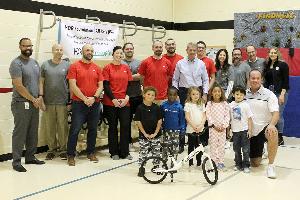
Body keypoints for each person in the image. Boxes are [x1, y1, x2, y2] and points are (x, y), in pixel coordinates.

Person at [9, 38, 45, 172]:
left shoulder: (35, 63)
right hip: (21, 103)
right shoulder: (16, 63)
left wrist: (40, 98)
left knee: (32, 132)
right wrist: (32, 99)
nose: (28, 48)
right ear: (20, 47)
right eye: (25, 46)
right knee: (20, 132)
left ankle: (30, 157)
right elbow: (18, 85)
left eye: (30, 45)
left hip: (35, 103)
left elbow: (39, 81)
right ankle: (16, 162)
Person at [66, 44, 103, 166]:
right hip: (79, 104)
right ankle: (71, 155)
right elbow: (73, 85)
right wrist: (84, 99)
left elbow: (101, 86)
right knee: (75, 129)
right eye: (87, 50)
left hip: (95, 103)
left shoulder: (97, 68)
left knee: (93, 129)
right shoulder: (74, 66)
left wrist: (94, 97)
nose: (90, 52)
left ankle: (91, 152)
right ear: (82, 52)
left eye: (92, 50)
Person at [172, 42, 209, 153]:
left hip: (198, 92)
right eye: (190, 50)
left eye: (194, 50)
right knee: (184, 117)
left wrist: (205, 93)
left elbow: (206, 80)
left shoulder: (201, 64)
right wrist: (176, 94)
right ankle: (182, 143)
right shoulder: (180, 63)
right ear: (186, 50)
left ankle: (201, 142)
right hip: (184, 92)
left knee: (199, 115)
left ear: (197, 51)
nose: (192, 52)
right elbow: (175, 80)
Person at [245, 69, 279, 179]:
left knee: (272, 132)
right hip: (251, 131)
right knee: (255, 163)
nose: (255, 80)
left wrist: (272, 125)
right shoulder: (243, 94)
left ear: (261, 79)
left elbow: (276, 113)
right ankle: (262, 150)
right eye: (252, 78)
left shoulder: (269, 95)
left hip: (265, 128)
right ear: (249, 79)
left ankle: (271, 166)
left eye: (257, 78)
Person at [40, 44, 70, 160]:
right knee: (50, 127)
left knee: (63, 126)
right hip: (48, 101)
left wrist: (70, 101)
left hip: (62, 101)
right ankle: (52, 149)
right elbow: (41, 82)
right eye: (56, 49)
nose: (58, 51)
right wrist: (41, 97)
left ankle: (63, 149)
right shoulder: (45, 65)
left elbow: (70, 84)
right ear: (52, 51)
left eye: (61, 49)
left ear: (63, 52)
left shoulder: (67, 65)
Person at [103, 46, 133, 160]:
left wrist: (126, 98)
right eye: (117, 53)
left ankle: (125, 152)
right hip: (111, 103)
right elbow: (106, 85)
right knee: (113, 127)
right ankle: (114, 152)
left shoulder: (126, 68)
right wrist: (113, 99)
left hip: (125, 102)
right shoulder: (107, 68)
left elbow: (130, 85)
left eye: (121, 53)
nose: (119, 55)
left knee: (125, 126)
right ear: (113, 54)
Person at [263, 47, 289, 145]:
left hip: (280, 93)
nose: (272, 54)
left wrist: (282, 95)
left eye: (274, 52)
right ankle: (271, 135)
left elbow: (286, 81)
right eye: (271, 52)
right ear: (269, 54)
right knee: (270, 114)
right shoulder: (267, 65)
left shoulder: (283, 65)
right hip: (270, 94)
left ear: (278, 54)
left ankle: (280, 138)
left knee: (278, 114)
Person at [134, 87, 162, 177]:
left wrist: (155, 133)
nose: (150, 96)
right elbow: (138, 122)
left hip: (156, 135)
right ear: (144, 95)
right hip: (144, 136)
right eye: (148, 94)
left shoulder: (157, 108)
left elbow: (159, 121)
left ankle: (156, 166)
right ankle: (142, 168)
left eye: (153, 95)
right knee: (143, 152)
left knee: (156, 152)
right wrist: (145, 133)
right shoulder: (140, 108)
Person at [121, 42, 142, 151]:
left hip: (138, 96)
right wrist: (131, 77)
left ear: (133, 50)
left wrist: (126, 77)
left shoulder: (139, 62)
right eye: (127, 49)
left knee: (140, 120)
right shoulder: (120, 62)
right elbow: (119, 77)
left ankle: (142, 142)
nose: (129, 50)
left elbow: (140, 76)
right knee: (126, 122)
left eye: (131, 48)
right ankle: (128, 143)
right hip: (125, 97)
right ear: (124, 50)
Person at [138, 40, 172, 105]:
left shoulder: (167, 62)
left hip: (163, 98)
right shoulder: (145, 62)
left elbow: (167, 77)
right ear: (152, 48)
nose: (158, 49)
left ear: (162, 48)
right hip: (149, 97)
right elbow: (141, 78)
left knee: (162, 115)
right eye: (156, 47)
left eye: (160, 47)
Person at [206, 83, 230, 170]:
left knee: (221, 146)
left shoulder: (225, 104)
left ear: (221, 93)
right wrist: (214, 125)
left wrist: (224, 126)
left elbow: (227, 116)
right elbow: (208, 115)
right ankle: (214, 162)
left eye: (219, 91)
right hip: (213, 129)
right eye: (215, 91)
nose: (217, 93)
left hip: (222, 129)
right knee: (213, 145)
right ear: (211, 93)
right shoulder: (209, 104)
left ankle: (221, 162)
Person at [229, 86, 253, 173]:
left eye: (241, 94)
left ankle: (246, 165)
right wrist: (229, 130)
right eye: (237, 94)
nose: (239, 96)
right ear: (233, 94)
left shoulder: (246, 105)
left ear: (244, 96)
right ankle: (238, 164)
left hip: (244, 130)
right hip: (235, 131)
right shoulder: (230, 105)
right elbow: (229, 119)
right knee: (236, 149)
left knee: (246, 149)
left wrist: (250, 130)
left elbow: (250, 119)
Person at [160, 87, 185, 159]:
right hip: (166, 131)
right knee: (165, 148)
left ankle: (173, 165)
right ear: (167, 95)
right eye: (170, 94)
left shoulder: (179, 107)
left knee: (174, 148)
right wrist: (161, 128)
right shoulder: (163, 105)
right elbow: (161, 119)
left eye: (174, 95)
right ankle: (164, 162)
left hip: (176, 131)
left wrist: (182, 130)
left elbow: (182, 120)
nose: (172, 96)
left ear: (177, 96)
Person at [184, 86, 206, 166]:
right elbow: (187, 117)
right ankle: (190, 162)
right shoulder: (188, 104)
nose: (196, 96)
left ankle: (199, 161)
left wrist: (201, 125)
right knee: (191, 145)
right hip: (191, 128)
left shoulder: (202, 104)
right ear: (190, 95)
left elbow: (204, 116)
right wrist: (193, 126)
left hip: (200, 128)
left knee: (199, 145)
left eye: (197, 94)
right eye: (193, 94)